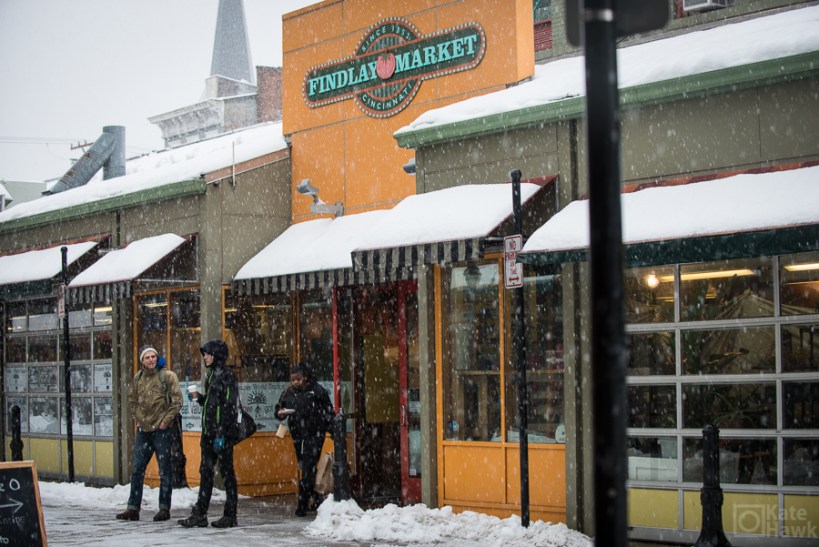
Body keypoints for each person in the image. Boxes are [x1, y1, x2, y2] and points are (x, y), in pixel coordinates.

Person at [116, 345, 183, 522]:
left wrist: (164, 422)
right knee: (137, 469)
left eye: (153, 356)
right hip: (143, 431)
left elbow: (177, 402)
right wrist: (139, 419)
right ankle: (133, 508)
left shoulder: (168, 376)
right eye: (147, 357)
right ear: (142, 361)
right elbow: (132, 402)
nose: (151, 360)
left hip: (162, 431)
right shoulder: (138, 378)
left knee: (164, 471)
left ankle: (163, 508)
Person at [178, 339, 240, 529]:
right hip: (209, 433)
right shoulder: (212, 375)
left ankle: (230, 515)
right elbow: (213, 405)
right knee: (205, 472)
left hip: (222, 434)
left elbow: (229, 407)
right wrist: (200, 399)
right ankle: (200, 513)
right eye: (204, 353)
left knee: (227, 473)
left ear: (217, 355)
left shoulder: (227, 376)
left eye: (207, 353)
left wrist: (222, 433)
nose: (204, 357)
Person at [275, 363, 334, 517]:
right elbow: (279, 408)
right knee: (306, 467)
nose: (295, 382)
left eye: (298, 379)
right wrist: (280, 413)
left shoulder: (316, 390)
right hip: (297, 436)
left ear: (305, 377)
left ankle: (302, 504)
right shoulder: (288, 392)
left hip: (314, 434)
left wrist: (331, 428)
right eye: (293, 379)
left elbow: (328, 410)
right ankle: (316, 498)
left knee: (307, 468)